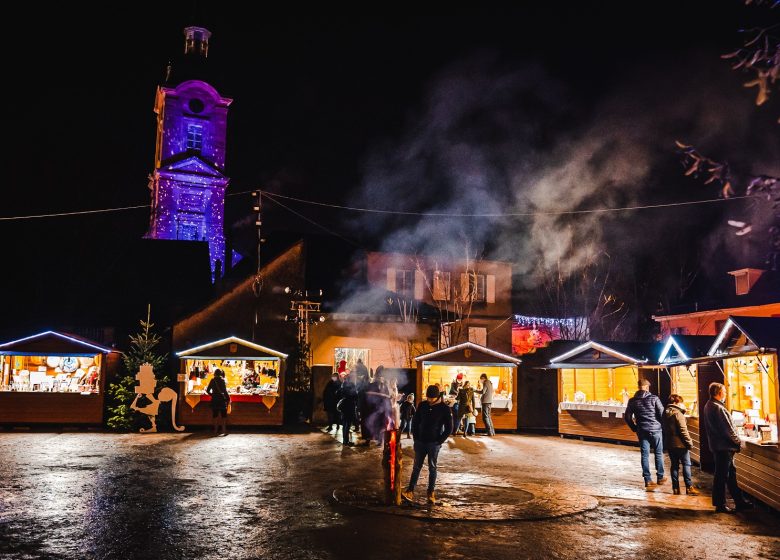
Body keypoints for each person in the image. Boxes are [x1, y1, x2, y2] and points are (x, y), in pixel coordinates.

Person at [702, 382, 753, 513]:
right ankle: (720, 504)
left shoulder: (709, 405)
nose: (725, 394)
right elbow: (728, 429)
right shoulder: (717, 408)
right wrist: (738, 441)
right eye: (724, 392)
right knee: (722, 476)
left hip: (719, 446)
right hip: (724, 447)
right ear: (718, 393)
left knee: (730, 475)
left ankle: (739, 501)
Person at [401, 384, 453, 505]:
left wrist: (439, 441)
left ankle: (430, 493)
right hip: (420, 442)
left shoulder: (444, 408)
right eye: (428, 397)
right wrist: (416, 438)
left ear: (437, 397)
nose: (429, 400)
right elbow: (415, 421)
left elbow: (449, 428)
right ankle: (410, 491)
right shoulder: (423, 405)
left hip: (433, 443)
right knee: (416, 467)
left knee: (432, 467)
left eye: (431, 398)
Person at [624, 378, 667, 488]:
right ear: (647, 387)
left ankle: (648, 479)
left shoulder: (632, 401)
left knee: (645, 455)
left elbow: (627, 417)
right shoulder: (654, 398)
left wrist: (634, 428)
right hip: (656, 429)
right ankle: (660, 477)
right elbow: (662, 414)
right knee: (658, 453)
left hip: (642, 430)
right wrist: (663, 426)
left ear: (639, 387)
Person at [663, 394, 699, 495]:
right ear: (676, 403)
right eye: (681, 402)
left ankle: (675, 488)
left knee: (674, 465)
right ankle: (689, 487)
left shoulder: (665, 412)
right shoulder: (678, 413)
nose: (682, 404)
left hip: (670, 443)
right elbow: (683, 430)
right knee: (686, 464)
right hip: (681, 444)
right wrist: (689, 443)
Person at [206, 369, 230, 436]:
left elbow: (208, 390)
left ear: (215, 373)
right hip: (222, 400)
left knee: (215, 415)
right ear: (221, 374)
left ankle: (215, 431)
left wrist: (212, 395)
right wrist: (228, 398)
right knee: (223, 416)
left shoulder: (212, 380)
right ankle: (224, 431)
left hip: (215, 400)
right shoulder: (222, 381)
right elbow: (225, 391)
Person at [336, 373, 359, 446]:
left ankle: (345, 440)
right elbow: (355, 396)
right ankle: (346, 441)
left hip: (344, 406)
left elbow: (338, 393)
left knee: (345, 424)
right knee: (347, 424)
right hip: (350, 406)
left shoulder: (343, 384)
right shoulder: (351, 385)